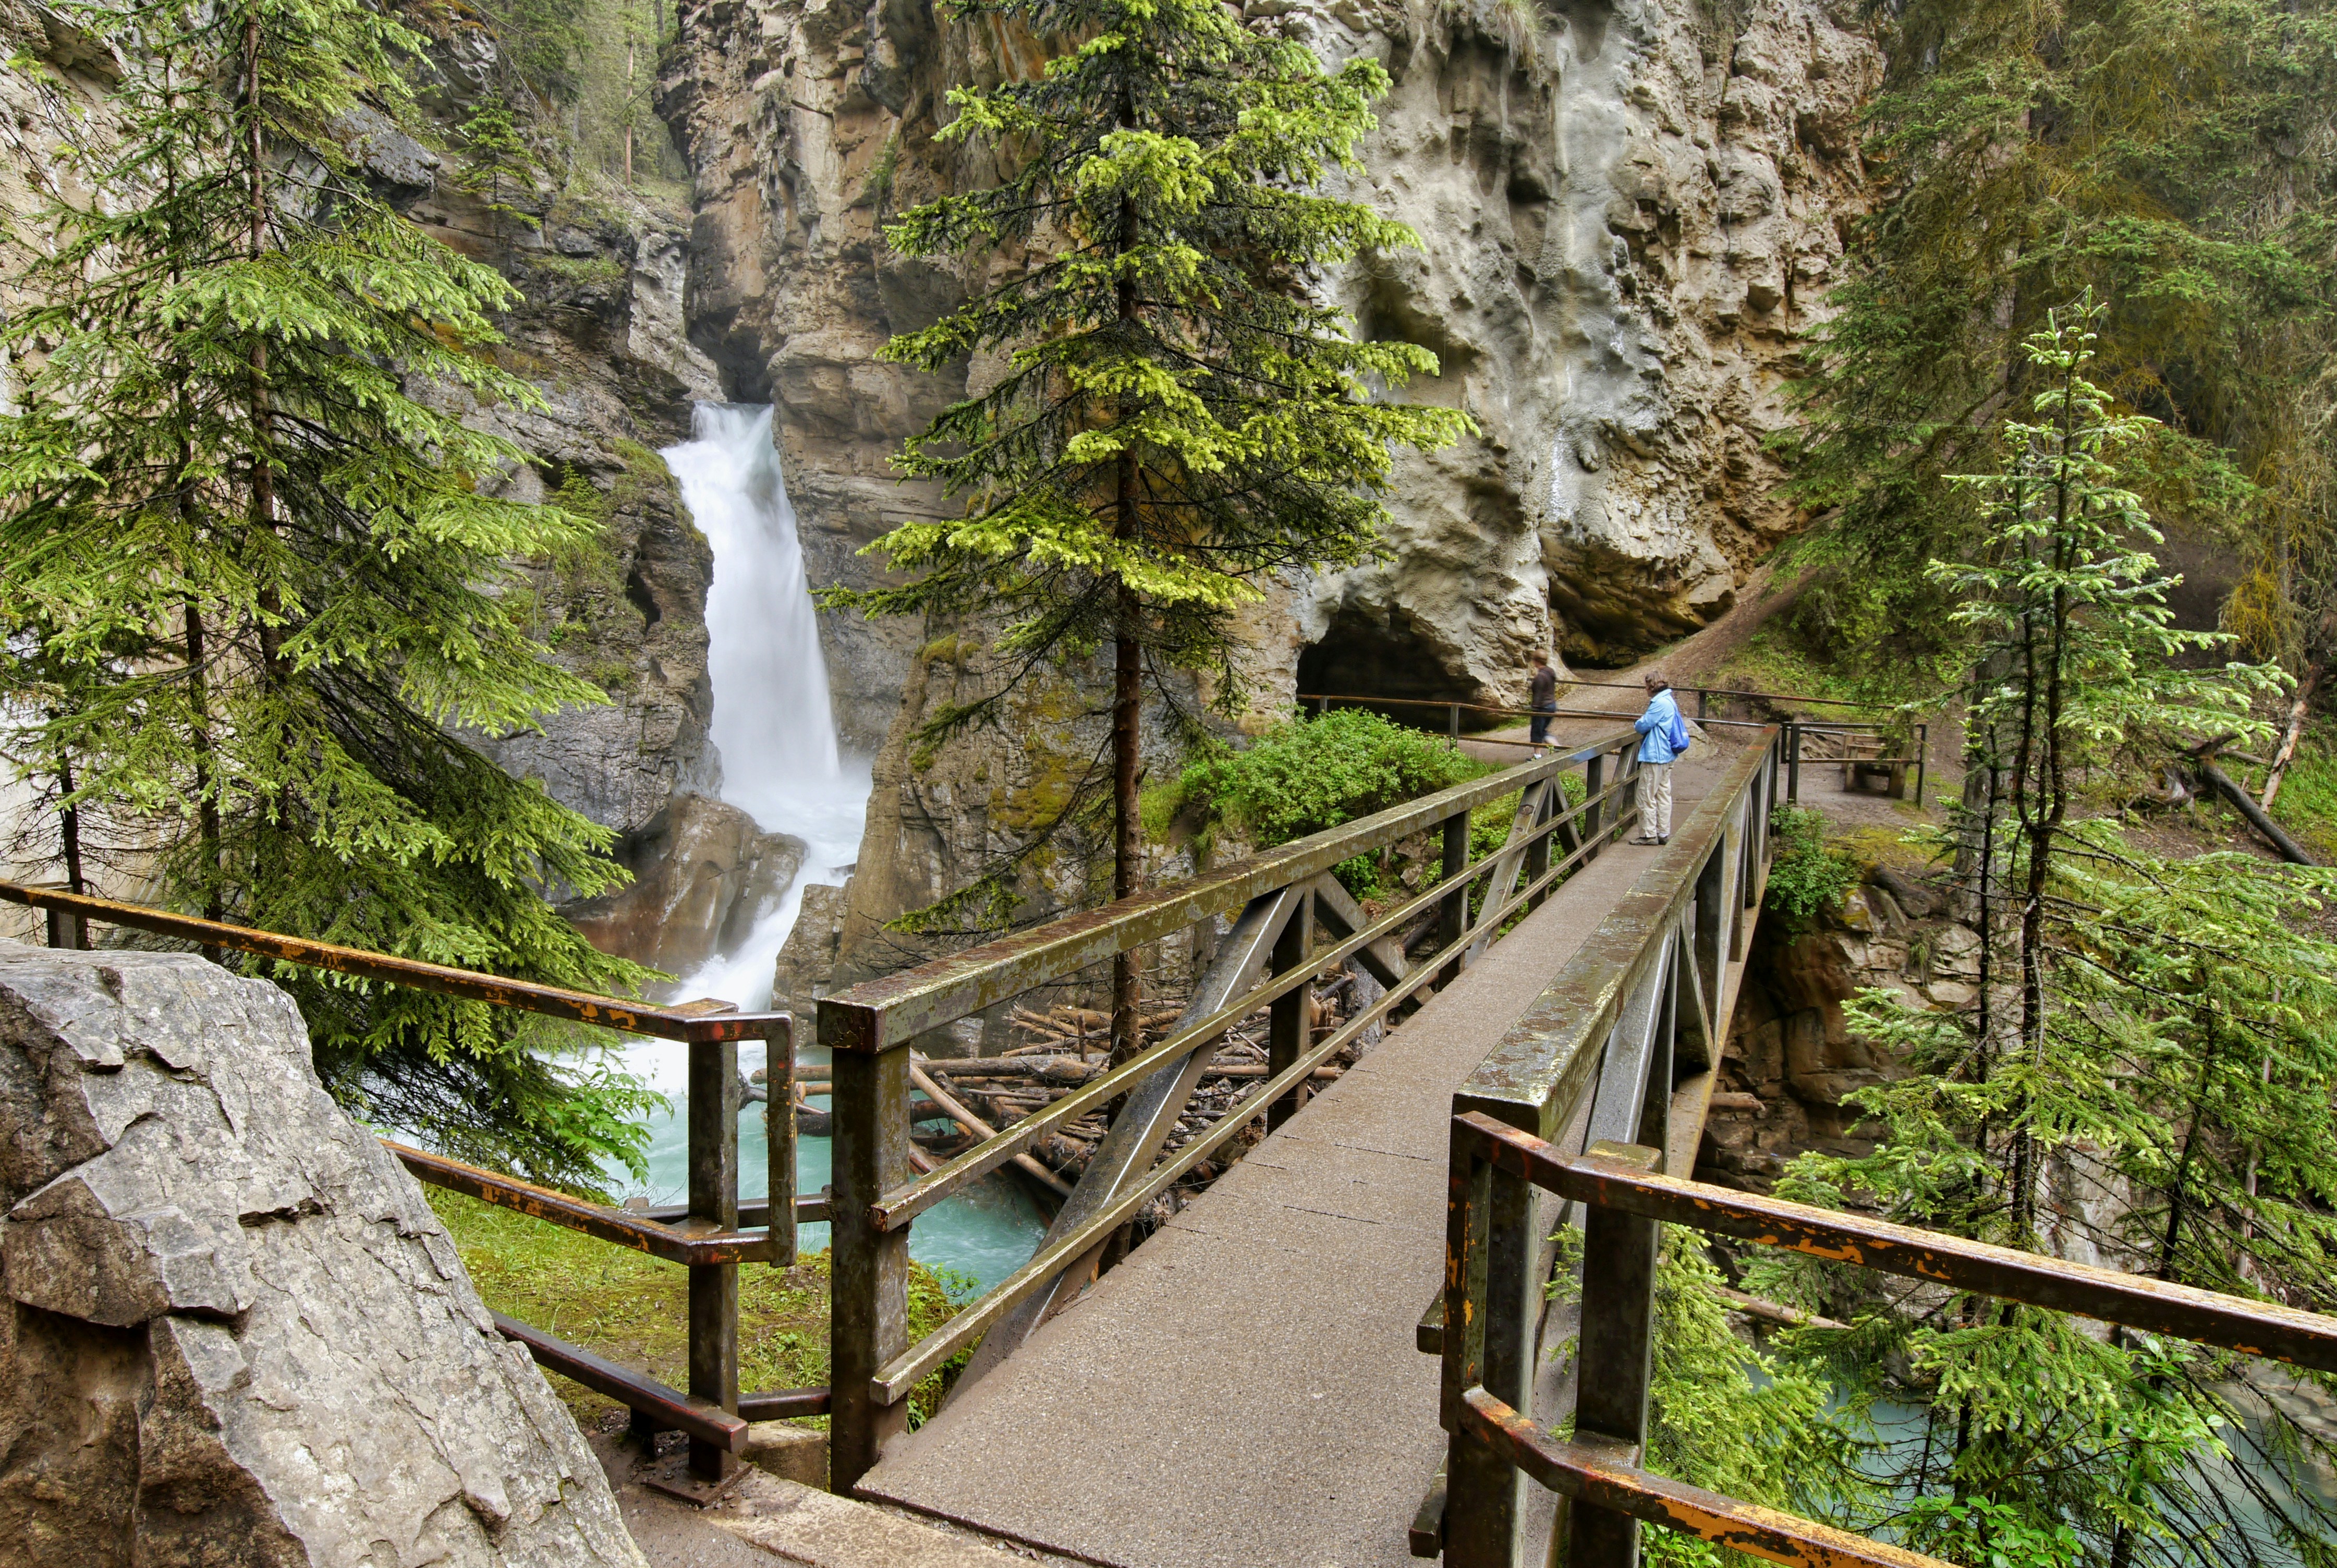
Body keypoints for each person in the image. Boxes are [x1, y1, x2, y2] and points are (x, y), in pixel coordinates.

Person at [1632, 673, 1688, 844]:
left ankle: (1648, 835)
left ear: (1652, 686)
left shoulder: (1660, 703)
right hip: (1667, 755)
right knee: (1663, 795)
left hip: (1656, 755)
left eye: (1647, 686)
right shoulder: (1669, 699)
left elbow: (1644, 725)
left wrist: (1637, 723)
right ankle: (1663, 833)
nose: (1645, 689)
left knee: (1645, 795)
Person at [1528, 651, 1559, 749]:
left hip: (1542, 707)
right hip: (1551, 705)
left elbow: (1538, 694)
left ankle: (1537, 756)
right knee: (1543, 731)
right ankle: (1559, 748)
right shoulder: (1551, 673)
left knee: (1537, 732)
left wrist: (1535, 709)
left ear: (1536, 661)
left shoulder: (1540, 677)